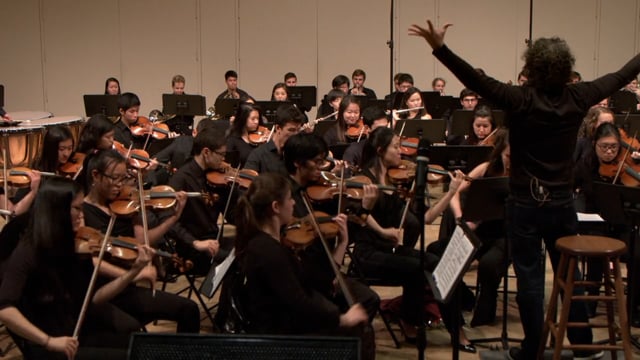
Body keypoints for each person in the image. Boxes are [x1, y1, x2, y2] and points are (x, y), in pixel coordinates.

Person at [409, 18, 640, 360]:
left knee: (530, 280)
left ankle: (532, 348)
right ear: (566, 68)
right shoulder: (580, 95)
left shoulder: (519, 98)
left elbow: (475, 79)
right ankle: (584, 346)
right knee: (569, 274)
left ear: (531, 67)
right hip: (562, 202)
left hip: (525, 203)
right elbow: (621, 75)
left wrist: (440, 48)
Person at [350, 126, 475, 351]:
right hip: (368, 254)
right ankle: (454, 329)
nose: (402, 152)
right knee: (427, 265)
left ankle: (415, 320)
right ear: (380, 150)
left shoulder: (395, 181)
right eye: (396, 147)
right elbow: (357, 218)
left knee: (427, 262)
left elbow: (426, 218)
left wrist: (450, 192)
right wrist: (382, 231)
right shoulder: (364, 180)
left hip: (389, 250)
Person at [0, 177, 153, 359]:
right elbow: (4, 309)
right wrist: (48, 341)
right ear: (58, 210)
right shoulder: (29, 250)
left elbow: (93, 298)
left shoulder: (75, 245)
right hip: (48, 343)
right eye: (77, 208)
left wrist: (133, 272)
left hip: (75, 331)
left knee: (142, 346)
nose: (82, 215)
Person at [234, 173, 370, 354]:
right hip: (282, 337)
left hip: (287, 322)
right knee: (361, 332)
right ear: (275, 207)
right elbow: (299, 302)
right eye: (289, 199)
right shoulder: (269, 251)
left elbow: (309, 281)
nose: (294, 203)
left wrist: (342, 245)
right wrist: (342, 319)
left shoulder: (267, 242)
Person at [82, 149, 201, 333]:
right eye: (115, 178)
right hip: (101, 292)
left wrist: (173, 218)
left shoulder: (127, 205)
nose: (119, 186)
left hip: (128, 288)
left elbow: (142, 241)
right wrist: (135, 274)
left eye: (123, 179)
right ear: (96, 176)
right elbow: (89, 260)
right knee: (135, 332)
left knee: (189, 309)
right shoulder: (81, 212)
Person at [447, 128, 509, 326]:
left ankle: (484, 313)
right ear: (500, 152)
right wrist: (460, 219)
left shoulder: (524, 174)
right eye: (508, 156)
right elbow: (455, 192)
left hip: (507, 236)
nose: (511, 161)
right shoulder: (485, 168)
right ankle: (465, 301)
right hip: (480, 231)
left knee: (489, 265)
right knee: (444, 256)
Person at [168, 127, 234, 275]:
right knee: (239, 261)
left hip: (214, 239)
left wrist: (232, 187)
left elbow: (231, 214)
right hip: (193, 249)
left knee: (250, 249)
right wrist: (195, 243)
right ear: (206, 152)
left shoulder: (216, 177)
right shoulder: (181, 178)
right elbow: (168, 222)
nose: (224, 160)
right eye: (221, 155)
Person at [244, 103, 304, 176]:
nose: (296, 134)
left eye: (298, 130)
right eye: (291, 130)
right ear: (278, 128)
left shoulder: (300, 155)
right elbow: (248, 183)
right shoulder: (258, 155)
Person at [343, 106, 390, 174]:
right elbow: (346, 177)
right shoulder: (353, 151)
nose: (384, 132)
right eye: (380, 128)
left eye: (386, 127)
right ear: (367, 128)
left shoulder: (390, 148)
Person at [226, 102, 263, 167]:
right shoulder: (232, 140)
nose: (256, 122)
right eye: (253, 119)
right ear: (243, 119)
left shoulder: (260, 138)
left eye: (258, 118)